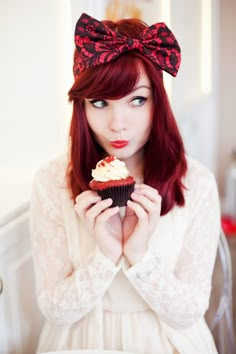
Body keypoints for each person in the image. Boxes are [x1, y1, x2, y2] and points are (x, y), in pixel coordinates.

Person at [30, 12, 221, 354]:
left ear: (157, 102)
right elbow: (53, 311)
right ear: (82, 107)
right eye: (100, 103)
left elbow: (191, 311)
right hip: (81, 340)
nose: (118, 124)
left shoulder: (197, 182)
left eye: (137, 100)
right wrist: (105, 256)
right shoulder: (51, 182)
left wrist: (139, 255)